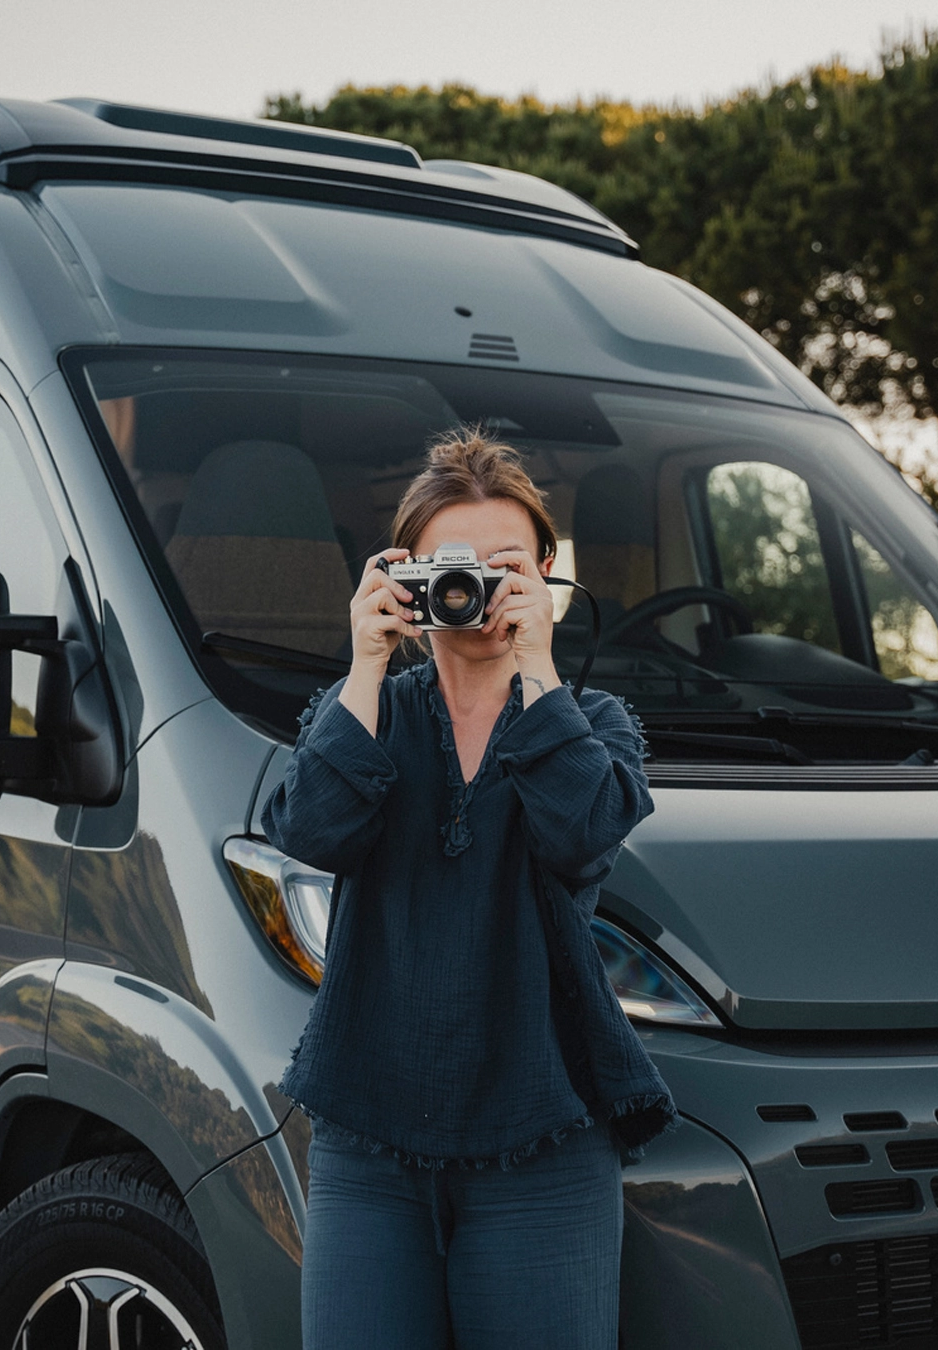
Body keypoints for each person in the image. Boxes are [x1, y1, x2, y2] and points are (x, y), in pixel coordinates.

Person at [262, 431, 673, 1349]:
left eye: (505, 567)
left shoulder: (594, 723)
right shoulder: (363, 713)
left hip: (544, 1139)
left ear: (547, 574)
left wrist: (538, 668)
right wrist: (366, 663)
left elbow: (581, 838)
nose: (474, 590)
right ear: (406, 577)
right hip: (367, 1142)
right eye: (453, 567)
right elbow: (313, 832)